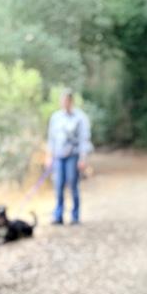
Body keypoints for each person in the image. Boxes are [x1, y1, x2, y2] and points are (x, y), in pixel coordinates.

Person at [45, 89, 92, 225]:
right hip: (58, 156)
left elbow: (84, 139)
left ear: (71, 101)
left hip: (73, 155)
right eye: (63, 100)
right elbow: (51, 139)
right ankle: (58, 215)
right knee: (58, 185)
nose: (64, 103)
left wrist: (82, 158)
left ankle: (75, 216)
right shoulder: (55, 117)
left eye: (67, 100)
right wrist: (49, 156)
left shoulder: (80, 117)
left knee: (73, 185)